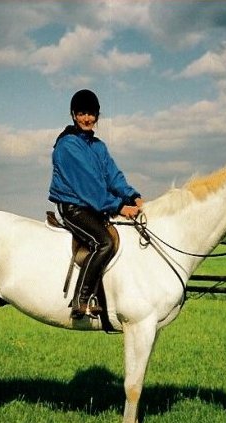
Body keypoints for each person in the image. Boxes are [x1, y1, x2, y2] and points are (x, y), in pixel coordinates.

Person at [49, 89, 144, 319]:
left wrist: (133, 196)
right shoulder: (68, 145)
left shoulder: (98, 146)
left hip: (92, 205)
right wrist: (119, 207)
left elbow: (112, 176)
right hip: (73, 207)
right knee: (104, 242)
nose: (87, 118)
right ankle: (81, 299)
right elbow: (90, 186)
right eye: (82, 113)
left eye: (91, 114)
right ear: (73, 115)